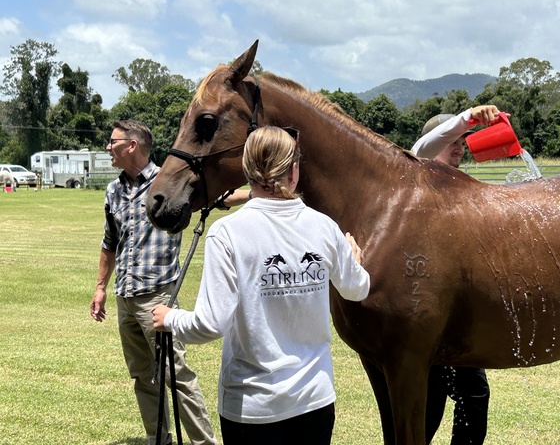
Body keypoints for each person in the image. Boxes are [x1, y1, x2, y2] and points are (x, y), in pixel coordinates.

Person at [152, 125, 371, 445]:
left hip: (252, 408)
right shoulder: (324, 227)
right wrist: (355, 261)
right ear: (293, 170)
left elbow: (210, 325)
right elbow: (357, 289)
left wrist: (169, 318)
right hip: (314, 402)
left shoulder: (227, 233)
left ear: (246, 170)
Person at [89, 120, 218, 445]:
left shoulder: (169, 181)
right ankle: (158, 438)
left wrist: (260, 191)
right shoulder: (113, 190)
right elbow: (109, 242)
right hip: (125, 297)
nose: (108, 147)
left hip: (158, 298)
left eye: (113, 142)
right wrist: (101, 287)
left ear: (132, 145)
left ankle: (204, 442)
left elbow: (218, 197)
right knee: (142, 376)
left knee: (176, 375)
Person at [412, 105, 500, 445]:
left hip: (460, 319)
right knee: (429, 402)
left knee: (475, 395)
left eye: (463, 142)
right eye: (454, 141)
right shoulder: (417, 173)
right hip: (425, 315)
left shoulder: (464, 186)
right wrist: (468, 117)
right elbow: (424, 147)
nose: (460, 147)